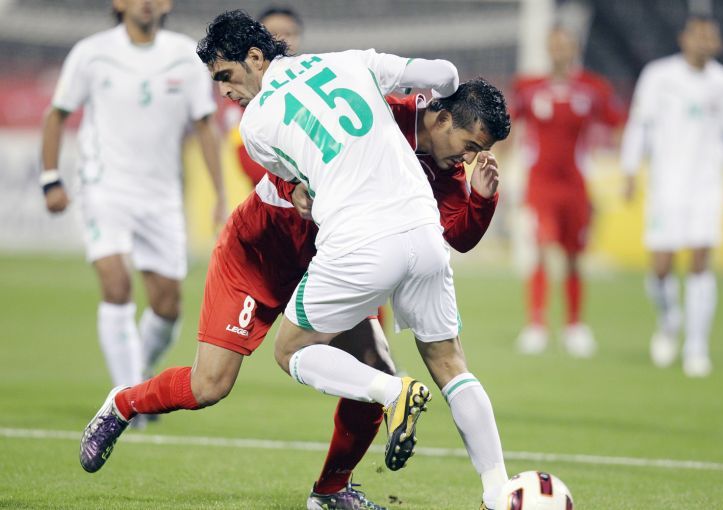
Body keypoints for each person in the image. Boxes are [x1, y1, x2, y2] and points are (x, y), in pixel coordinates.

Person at [80, 9, 512, 508]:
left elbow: (454, 233)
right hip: (265, 249)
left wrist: (482, 200)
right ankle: (123, 403)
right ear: (439, 116)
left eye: (225, 77)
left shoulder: (442, 165)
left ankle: (332, 491)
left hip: (343, 250)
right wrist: (298, 189)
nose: (224, 90)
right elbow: (283, 173)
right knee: (210, 384)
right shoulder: (371, 95)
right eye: (468, 146)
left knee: (374, 371)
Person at [40, 0, 225, 395]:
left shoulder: (185, 56)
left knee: (168, 305)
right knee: (117, 285)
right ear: (118, 3)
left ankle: (136, 374)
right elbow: (56, 114)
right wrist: (50, 178)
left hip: (161, 194)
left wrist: (220, 193)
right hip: (104, 186)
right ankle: (128, 400)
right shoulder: (92, 53)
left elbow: (205, 125)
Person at [620, 15, 723, 377]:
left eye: (710, 37)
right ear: (684, 39)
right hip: (665, 186)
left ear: (718, 43)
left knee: (700, 262)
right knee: (661, 267)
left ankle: (696, 346)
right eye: (698, 36)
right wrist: (630, 170)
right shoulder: (658, 76)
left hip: (706, 187)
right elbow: (639, 126)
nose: (704, 42)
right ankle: (668, 320)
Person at [511, 26, 623, 358]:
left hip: (575, 185)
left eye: (566, 45)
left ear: (574, 49)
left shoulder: (593, 88)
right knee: (541, 249)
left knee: (574, 256)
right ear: (548, 49)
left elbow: (616, 123)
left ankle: (574, 326)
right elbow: (510, 126)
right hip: (541, 185)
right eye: (555, 45)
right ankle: (536, 325)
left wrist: (614, 166)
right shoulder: (528, 88)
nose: (560, 51)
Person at [234, 6, 304, 186]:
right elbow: (249, 163)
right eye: (272, 34)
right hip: (268, 193)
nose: (281, 40)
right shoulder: (243, 95)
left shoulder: (312, 88)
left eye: (288, 33)